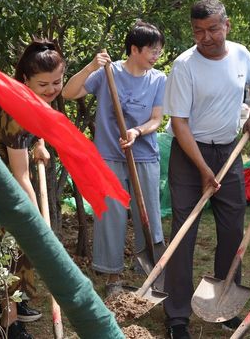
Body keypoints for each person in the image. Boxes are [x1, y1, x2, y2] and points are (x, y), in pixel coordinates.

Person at [162, 0, 250, 339]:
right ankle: (177, 315)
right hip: (190, 154)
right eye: (198, 31)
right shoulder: (184, 66)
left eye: (212, 29)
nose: (205, 37)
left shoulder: (241, 55)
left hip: (229, 151)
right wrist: (204, 169)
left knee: (233, 230)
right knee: (184, 233)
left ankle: (222, 302)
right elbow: (179, 123)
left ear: (227, 25)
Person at [61, 21, 167, 297]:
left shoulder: (158, 79)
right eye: (152, 50)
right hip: (108, 156)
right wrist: (90, 67)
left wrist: (137, 131)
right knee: (111, 215)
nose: (156, 56)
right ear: (134, 49)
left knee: (149, 216)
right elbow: (68, 93)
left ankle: (152, 276)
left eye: (159, 50)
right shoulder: (108, 72)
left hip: (144, 155)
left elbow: (157, 119)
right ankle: (113, 279)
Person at [0, 39, 65, 339]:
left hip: (12, 173)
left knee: (21, 248)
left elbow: (37, 122)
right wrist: (38, 220)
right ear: (26, 80)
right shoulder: (15, 111)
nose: (51, 90)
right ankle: (10, 322)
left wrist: (39, 143)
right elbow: (20, 176)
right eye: (43, 84)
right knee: (9, 246)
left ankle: (17, 302)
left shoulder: (33, 98)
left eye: (57, 81)